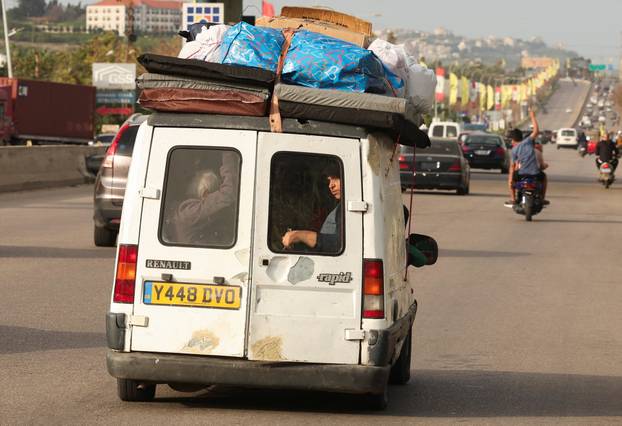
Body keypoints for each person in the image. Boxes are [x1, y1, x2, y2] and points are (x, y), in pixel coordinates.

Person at [171, 151, 239, 245]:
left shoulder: (188, 211)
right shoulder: (190, 212)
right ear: (206, 194)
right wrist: (229, 152)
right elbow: (227, 195)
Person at [282, 164, 341, 252]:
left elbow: (338, 244)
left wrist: (300, 235)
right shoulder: (339, 208)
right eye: (329, 180)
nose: (331, 185)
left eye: (336, 178)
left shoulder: (346, 211)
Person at [505, 108, 549, 207]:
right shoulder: (528, 141)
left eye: (511, 140)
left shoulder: (514, 150)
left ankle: (513, 199)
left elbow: (513, 167)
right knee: (544, 177)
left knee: (511, 181)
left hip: (521, 175)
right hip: (535, 174)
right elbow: (536, 131)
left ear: (513, 140)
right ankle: (542, 198)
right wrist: (532, 116)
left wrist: (511, 179)